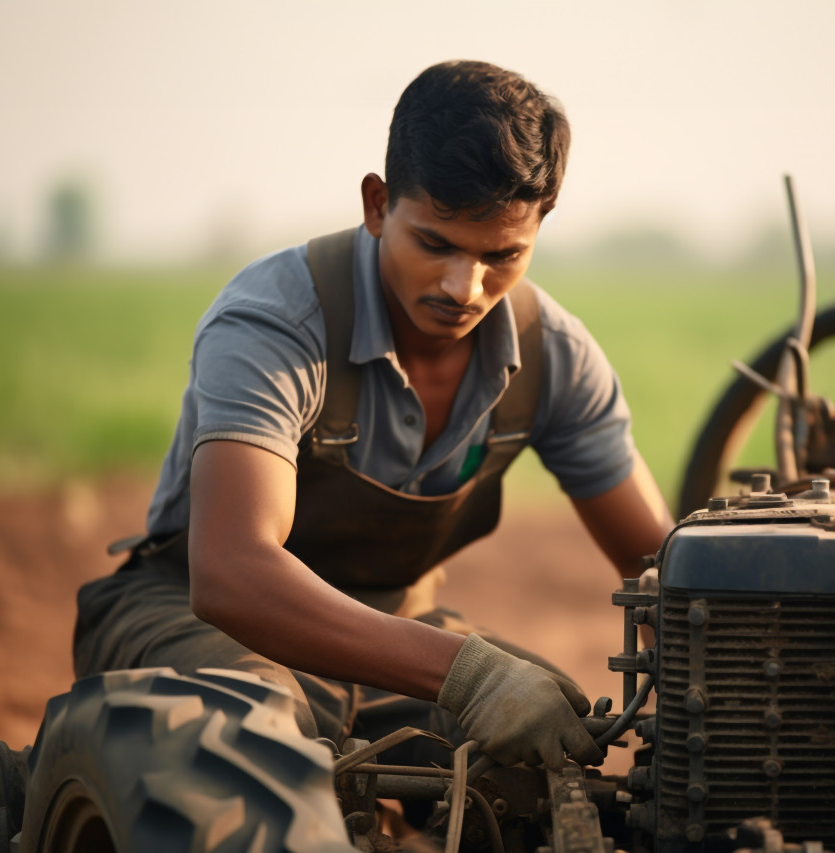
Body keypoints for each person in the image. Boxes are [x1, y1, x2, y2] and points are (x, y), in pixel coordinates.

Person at [73, 59, 672, 773]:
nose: (464, 286)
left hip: (400, 627)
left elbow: (664, 573)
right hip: (190, 613)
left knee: (554, 756)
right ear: (379, 204)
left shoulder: (556, 357)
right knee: (255, 737)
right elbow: (230, 570)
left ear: (539, 227)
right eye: (437, 243)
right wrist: (470, 676)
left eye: (503, 255)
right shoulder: (276, 321)